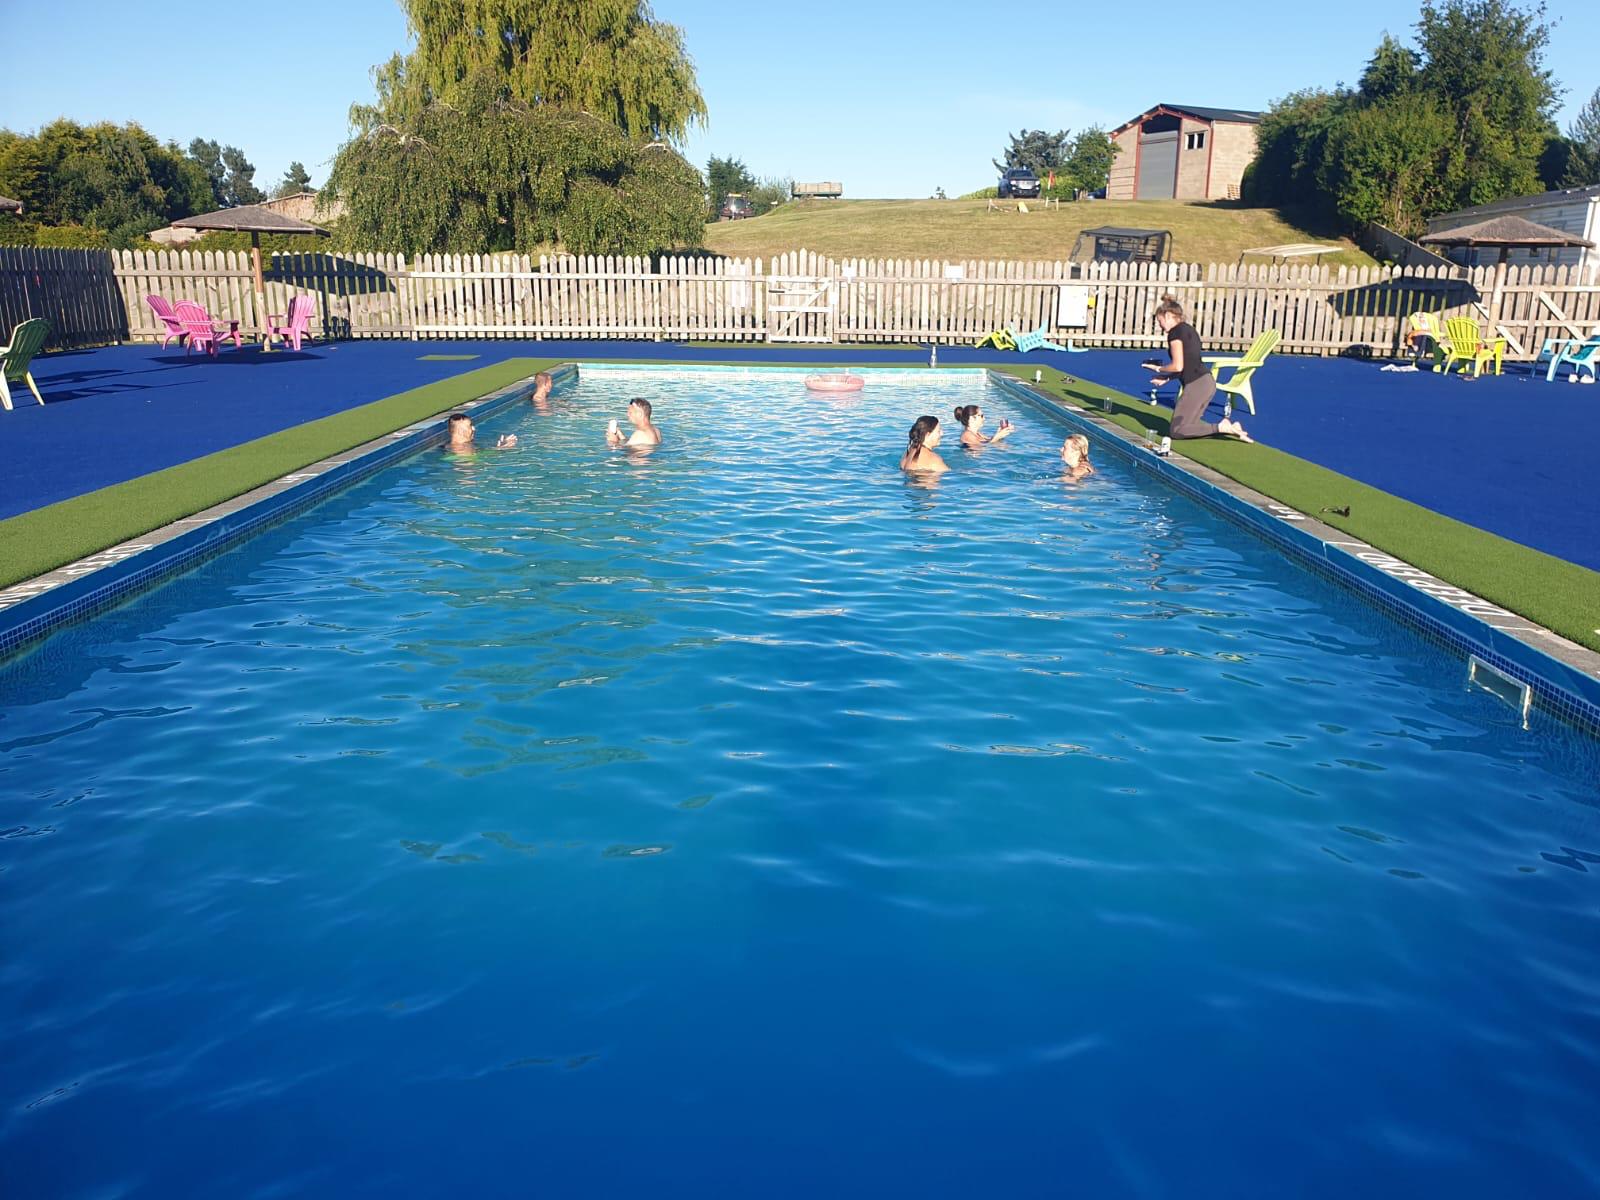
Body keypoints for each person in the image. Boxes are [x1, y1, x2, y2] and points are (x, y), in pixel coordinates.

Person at [1142, 296, 1251, 442]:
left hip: (1197, 385)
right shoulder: (1189, 330)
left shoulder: (1174, 333)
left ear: (1168, 316)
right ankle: (1228, 428)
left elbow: (1178, 365)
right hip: (1207, 383)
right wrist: (1168, 377)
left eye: (1160, 321)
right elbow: (1189, 362)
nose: (1160, 326)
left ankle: (1221, 427)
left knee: (1177, 431)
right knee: (1190, 426)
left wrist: (1158, 368)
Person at [445, 412, 516, 452]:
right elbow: (470, 464)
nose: (474, 428)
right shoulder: (460, 449)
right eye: (470, 426)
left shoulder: (457, 445)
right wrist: (500, 449)